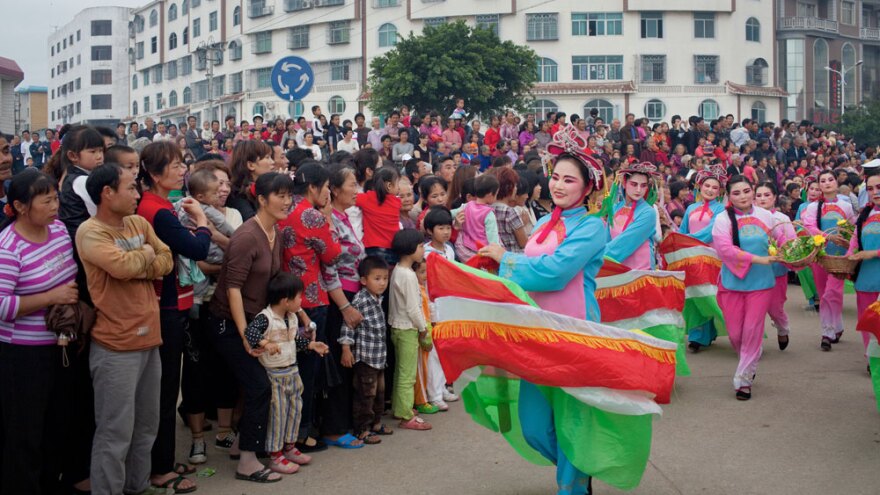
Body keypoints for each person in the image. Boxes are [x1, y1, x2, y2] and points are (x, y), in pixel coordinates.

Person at [477, 125, 608, 494]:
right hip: (537, 331)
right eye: (556, 177)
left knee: (572, 419)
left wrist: (506, 261)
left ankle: (574, 484)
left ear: (587, 187)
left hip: (574, 331)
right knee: (534, 426)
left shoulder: (592, 227)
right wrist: (494, 267)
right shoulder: (544, 225)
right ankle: (578, 464)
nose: (559, 185)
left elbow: (554, 273)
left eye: (570, 180)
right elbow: (529, 267)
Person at [78, 164, 174, 495]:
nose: (137, 195)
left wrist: (142, 262)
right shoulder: (91, 232)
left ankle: (138, 486)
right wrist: (145, 255)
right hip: (115, 345)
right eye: (131, 188)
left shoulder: (137, 222)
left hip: (150, 339)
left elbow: (167, 260)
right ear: (107, 193)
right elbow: (122, 267)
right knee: (114, 432)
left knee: (146, 427)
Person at [136, 142, 212, 492]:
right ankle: (159, 468)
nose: (183, 169)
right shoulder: (157, 210)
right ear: (153, 173)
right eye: (175, 165)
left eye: (183, 163)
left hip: (170, 305)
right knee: (164, 393)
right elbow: (197, 249)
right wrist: (201, 221)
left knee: (165, 390)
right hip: (165, 307)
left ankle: (162, 460)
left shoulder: (161, 205)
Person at [209, 172, 292, 484]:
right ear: (262, 199)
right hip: (228, 323)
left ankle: (242, 448)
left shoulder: (276, 233)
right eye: (280, 195)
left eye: (289, 195)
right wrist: (247, 335)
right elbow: (232, 289)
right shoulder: (247, 236)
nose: (287, 201)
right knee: (259, 385)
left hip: (254, 320)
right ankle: (247, 461)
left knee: (254, 385)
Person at [0, 170, 78, 494]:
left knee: (57, 423)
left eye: (55, 198)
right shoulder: (8, 247)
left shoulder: (58, 230)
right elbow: (2, 307)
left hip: (60, 344)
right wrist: (51, 298)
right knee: (25, 430)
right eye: (45, 200)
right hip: (23, 355)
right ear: (20, 206)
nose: (54, 206)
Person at [244, 272, 329, 474]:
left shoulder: (290, 317)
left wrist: (311, 345)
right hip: (275, 376)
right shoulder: (266, 318)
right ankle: (275, 454)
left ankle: (290, 447)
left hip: (293, 373)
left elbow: (294, 341)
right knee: (278, 416)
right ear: (285, 300)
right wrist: (266, 343)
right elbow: (250, 333)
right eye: (299, 297)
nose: (301, 301)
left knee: (294, 411)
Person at [712, 175, 787, 400]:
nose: (743, 196)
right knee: (735, 334)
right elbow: (724, 249)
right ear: (728, 196)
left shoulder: (767, 216)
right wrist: (758, 259)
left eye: (746, 191)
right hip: (732, 283)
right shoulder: (722, 219)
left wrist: (791, 251)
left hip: (761, 284)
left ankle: (743, 380)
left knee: (752, 330)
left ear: (752, 191)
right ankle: (749, 359)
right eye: (736, 193)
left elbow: (782, 238)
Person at [339, 255, 393, 444]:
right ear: (363, 280)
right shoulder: (361, 300)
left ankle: (376, 423)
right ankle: (362, 429)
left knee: (380, 392)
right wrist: (346, 348)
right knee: (365, 394)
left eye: (385, 278)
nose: (382, 283)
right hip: (366, 358)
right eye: (377, 279)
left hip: (379, 357)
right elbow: (348, 326)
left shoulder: (378, 298)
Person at [803, 170, 856, 350]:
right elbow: (809, 226)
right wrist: (828, 237)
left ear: (836, 182)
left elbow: (852, 228)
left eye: (830, 179)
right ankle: (837, 326)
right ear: (819, 185)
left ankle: (827, 332)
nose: (827, 183)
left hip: (840, 258)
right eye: (823, 181)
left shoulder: (846, 205)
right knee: (824, 293)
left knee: (831, 293)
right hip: (821, 257)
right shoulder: (812, 207)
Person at [679, 165, 728, 351]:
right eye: (707, 185)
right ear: (700, 186)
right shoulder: (691, 207)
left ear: (720, 191)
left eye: (715, 188)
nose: (710, 190)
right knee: (693, 295)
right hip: (690, 257)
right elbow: (683, 229)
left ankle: (705, 335)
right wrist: (677, 241)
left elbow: (710, 232)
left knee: (707, 295)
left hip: (710, 258)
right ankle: (696, 335)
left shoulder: (721, 210)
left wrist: (685, 241)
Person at [388, 229, 432, 430]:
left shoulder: (398, 270)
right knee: (407, 375)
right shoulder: (408, 275)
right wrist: (423, 329)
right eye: (421, 246)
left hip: (397, 326)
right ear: (410, 249)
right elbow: (413, 308)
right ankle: (406, 415)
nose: (423, 249)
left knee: (401, 372)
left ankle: (401, 407)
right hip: (407, 328)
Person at [755, 181, 796, 350]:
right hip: (754, 270)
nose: (762, 198)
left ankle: (782, 327)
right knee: (755, 311)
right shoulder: (748, 217)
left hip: (777, 271)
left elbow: (792, 243)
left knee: (775, 308)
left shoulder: (782, 218)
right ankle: (754, 344)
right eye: (759, 195)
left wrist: (783, 253)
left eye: (767, 195)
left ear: (774, 198)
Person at [848, 173, 880, 358]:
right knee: (868, 322)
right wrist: (847, 259)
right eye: (870, 189)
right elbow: (854, 242)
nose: (875, 192)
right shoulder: (865, 214)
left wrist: (873, 253)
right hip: (865, 280)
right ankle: (872, 359)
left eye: (879, 187)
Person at [606, 162, 661, 270]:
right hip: (615, 271)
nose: (638, 190)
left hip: (640, 274)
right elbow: (606, 240)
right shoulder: (614, 208)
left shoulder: (648, 212)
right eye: (634, 184)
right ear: (624, 183)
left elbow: (624, 243)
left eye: (643, 185)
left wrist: (596, 260)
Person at [357, 168, 402, 265]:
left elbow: (352, 199)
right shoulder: (396, 202)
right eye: (398, 184)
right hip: (393, 248)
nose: (399, 188)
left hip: (373, 248)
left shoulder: (367, 198)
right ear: (389, 186)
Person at [452, 174, 499, 262]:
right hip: (482, 249)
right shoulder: (488, 214)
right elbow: (493, 238)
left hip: (466, 246)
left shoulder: (467, 206)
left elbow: (450, 213)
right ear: (490, 195)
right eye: (496, 194)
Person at [228, 140, 275, 221]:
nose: (273, 162)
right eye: (267, 157)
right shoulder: (237, 195)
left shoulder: (259, 188)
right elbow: (255, 224)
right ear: (251, 165)